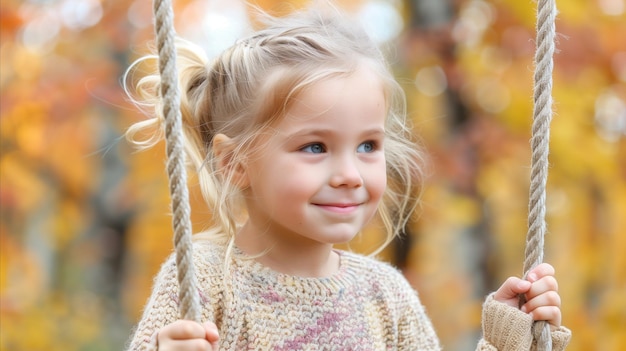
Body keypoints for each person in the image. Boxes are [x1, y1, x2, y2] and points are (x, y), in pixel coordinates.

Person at [124, 4, 571, 351]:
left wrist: (508, 338)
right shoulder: (205, 280)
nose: (349, 175)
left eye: (368, 146)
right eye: (315, 147)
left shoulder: (384, 294)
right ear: (234, 163)